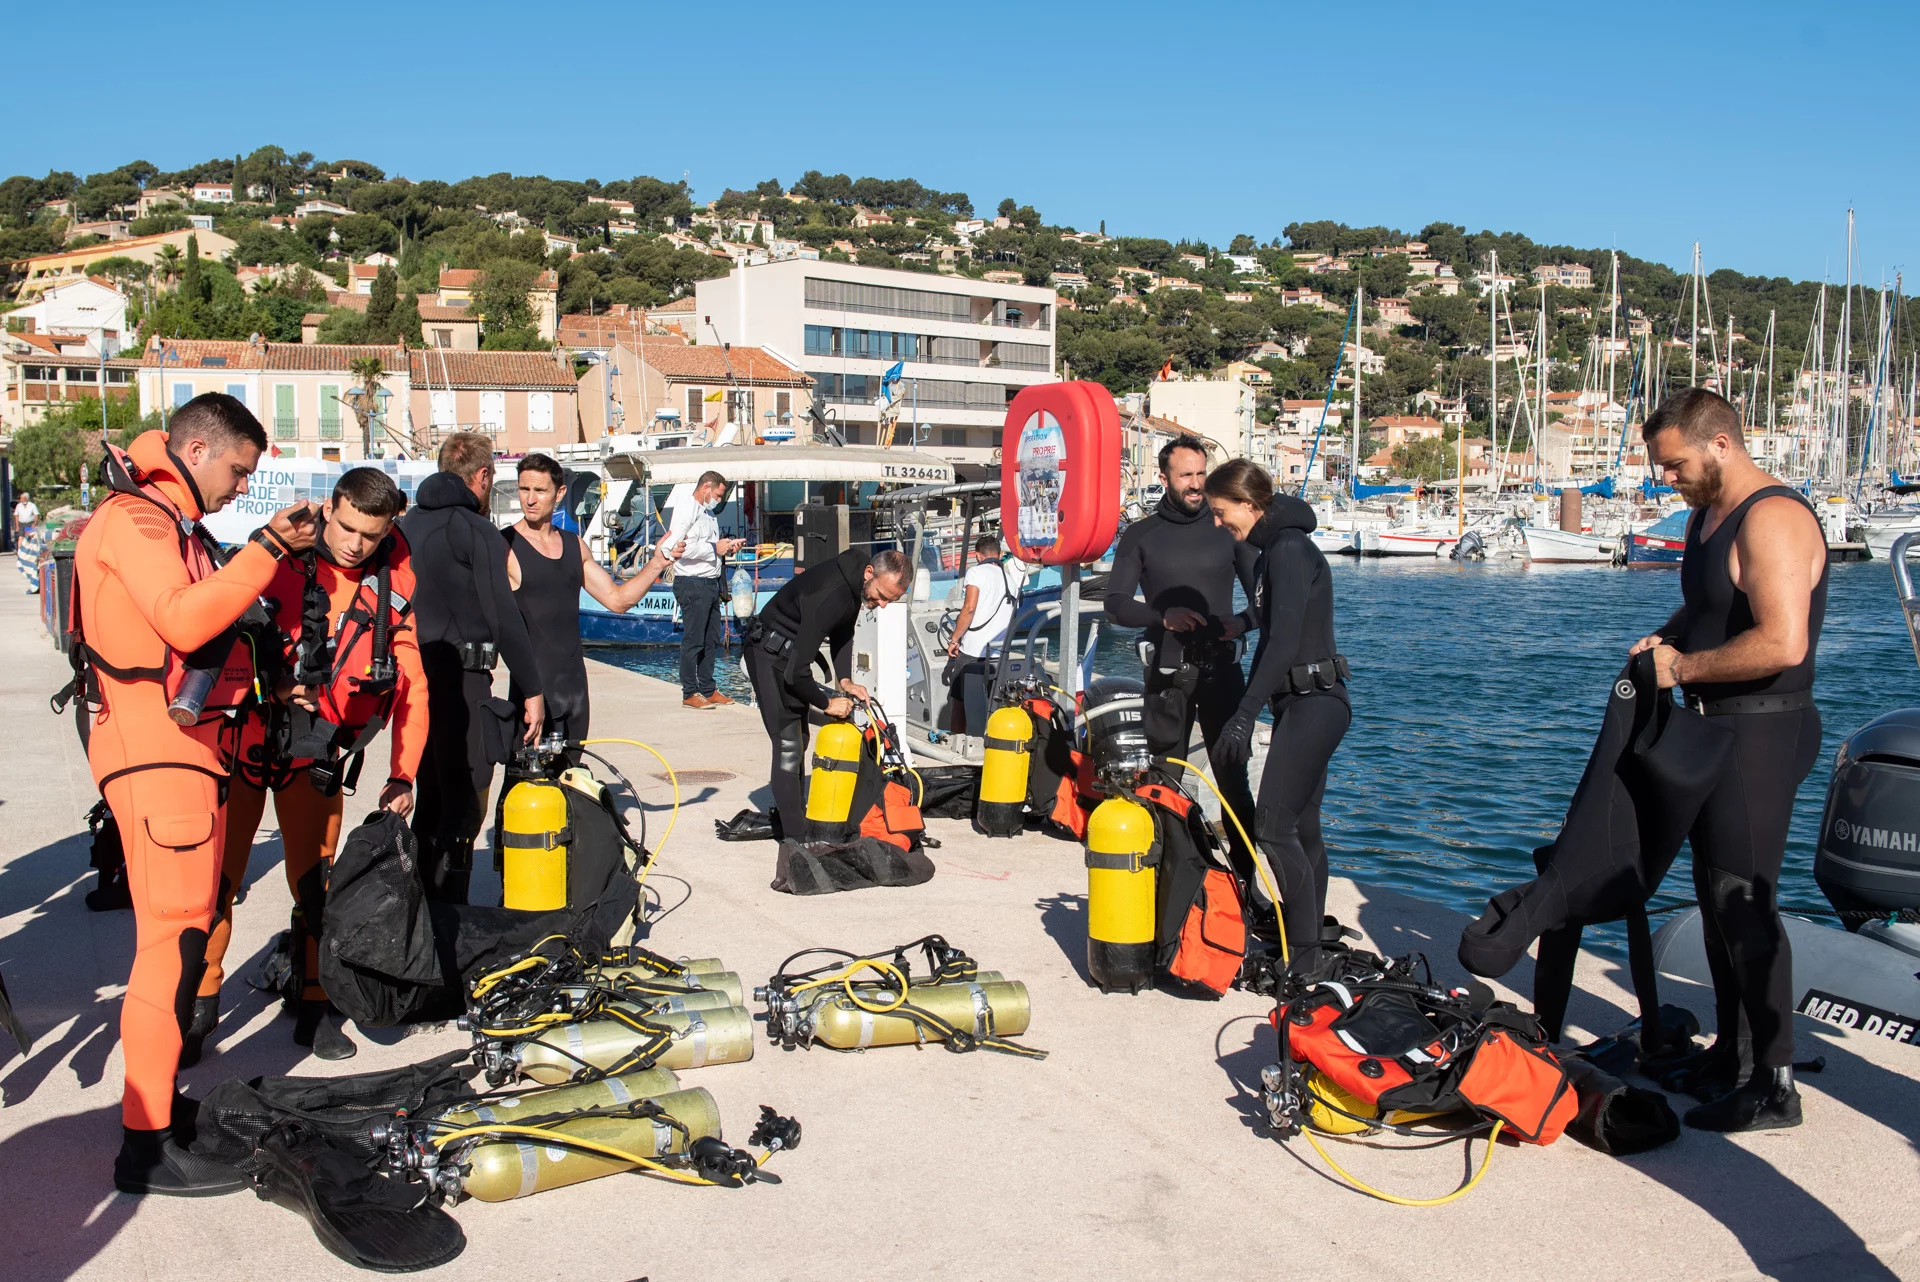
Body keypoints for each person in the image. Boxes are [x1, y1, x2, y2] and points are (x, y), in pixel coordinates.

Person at [71, 393, 318, 1195]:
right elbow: (182, 621)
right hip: (158, 758)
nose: (243, 487)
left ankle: (159, 1113)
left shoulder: (164, 522)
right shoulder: (139, 522)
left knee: (179, 945)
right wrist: (268, 548)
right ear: (200, 448)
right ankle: (144, 1147)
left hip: (178, 755)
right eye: (239, 470)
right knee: (172, 946)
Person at [1629, 388, 1827, 1133]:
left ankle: (1774, 1082)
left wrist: (1684, 670)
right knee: (1713, 898)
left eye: (1675, 465)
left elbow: (1782, 643)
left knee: (1746, 900)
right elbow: (1709, 609)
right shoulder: (1707, 516)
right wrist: (1663, 638)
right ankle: (1731, 1055)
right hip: (1714, 727)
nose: (1666, 479)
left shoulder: (1773, 517)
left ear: (1721, 445)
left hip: (1763, 730)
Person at [199, 468, 429, 1064]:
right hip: (244, 745)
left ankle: (316, 1000)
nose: (354, 544)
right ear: (330, 508)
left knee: (317, 888)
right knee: (216, 885)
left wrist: (402, 774)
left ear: (389, 530)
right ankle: (199, 1003)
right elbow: (209, 637)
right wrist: (270, 685)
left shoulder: (391, 591)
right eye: (347, 527)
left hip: (317, 755)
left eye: (370, 536)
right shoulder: (271, 557)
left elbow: (415, 689)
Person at [1204, 458, 1349, 964]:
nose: (1221, 524)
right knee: (1302, 829)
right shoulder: (1270, 553)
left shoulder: (1287, 548)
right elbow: (1276, 617)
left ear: (1249, 503)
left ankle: (1305, 959)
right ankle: (1308, 940)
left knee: (1271, 825)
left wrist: (1244, 714)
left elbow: (1285, 641)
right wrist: (1240, 623)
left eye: (1224, 513)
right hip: (1301, 703)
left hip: (1316, 702)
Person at [1105, 435, 1261, 880]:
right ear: (1164, 478)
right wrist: (1162, 616)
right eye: (1186, 475)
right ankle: (1167, 876)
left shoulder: (1225, 528)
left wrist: (1241, 623)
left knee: (1233, 779)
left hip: (1222, 671)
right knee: (1162, 779)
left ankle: (1246, 881)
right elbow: (1116, 603)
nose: (1196, 484)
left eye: (1200, 474)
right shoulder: (1141, 535)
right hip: (1167, 675)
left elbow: (1262, 602)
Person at [399, 432, 545, 904]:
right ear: (482, 477)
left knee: (428, 793)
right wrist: (533, 688)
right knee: (466, 796)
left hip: (414, 682)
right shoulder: (474, 529)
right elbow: (502, 612)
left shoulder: (404, 526)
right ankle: (449, 919)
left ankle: (420, 910)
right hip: (464, 682)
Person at [503, 452, 681, 743]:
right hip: (531, 691)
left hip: (574, 688)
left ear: (559, 493)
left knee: (572, 780)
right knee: (525, 786)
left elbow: (618, 600)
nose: (530, 499)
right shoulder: (504, 546)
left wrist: (657, 563)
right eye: (524, 489)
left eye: (540, 490)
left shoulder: (575, 546)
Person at [744, 548, 913, 830]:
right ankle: (796, 838)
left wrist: (845, 680)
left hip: (788, 654)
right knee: (788, 745)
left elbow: (843, 631)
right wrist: (826, 703)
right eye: (882, 596)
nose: (882, 605)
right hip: (766, 652)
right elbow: (796, 675)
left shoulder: (856, 582)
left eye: (890, 600)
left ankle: (794, 815)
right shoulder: (830, 594)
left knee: (800, 738)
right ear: (870, 573)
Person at [665, 470, 745, 709]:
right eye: (718, 495)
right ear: (706, 487)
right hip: (692, 583)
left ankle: (708, 688)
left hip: (710, 584)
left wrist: (727, 547)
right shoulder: (686, 511)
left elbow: (711, 547)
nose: (719, 500)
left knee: (711, 639)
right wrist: (714, 548)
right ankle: (689, 692)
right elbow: (678, 547)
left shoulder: (708, 514)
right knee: (694, 640)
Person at [944, 534, 1020, 734]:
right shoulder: (1011, 581)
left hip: (973, 652)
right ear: (1000, 554)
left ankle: (957, 742)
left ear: (977, 555)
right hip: (999, 654)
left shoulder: (976, 573)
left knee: (959, 701)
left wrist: (954, 639)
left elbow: (969, 608)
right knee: (995, 703)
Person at [14, 489, 40, 593]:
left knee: (29, 539)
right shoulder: (19, 506)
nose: (22, 500)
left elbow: (36, 514)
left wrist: (35, 522)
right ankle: (20, 553)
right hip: (22, 523)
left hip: (30, 524)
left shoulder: (32, 505)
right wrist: (16, 525)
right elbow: (16, 516)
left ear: (27, 499)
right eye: (21, 499)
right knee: (20, 538)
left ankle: (28, 551)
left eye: (24, 498)